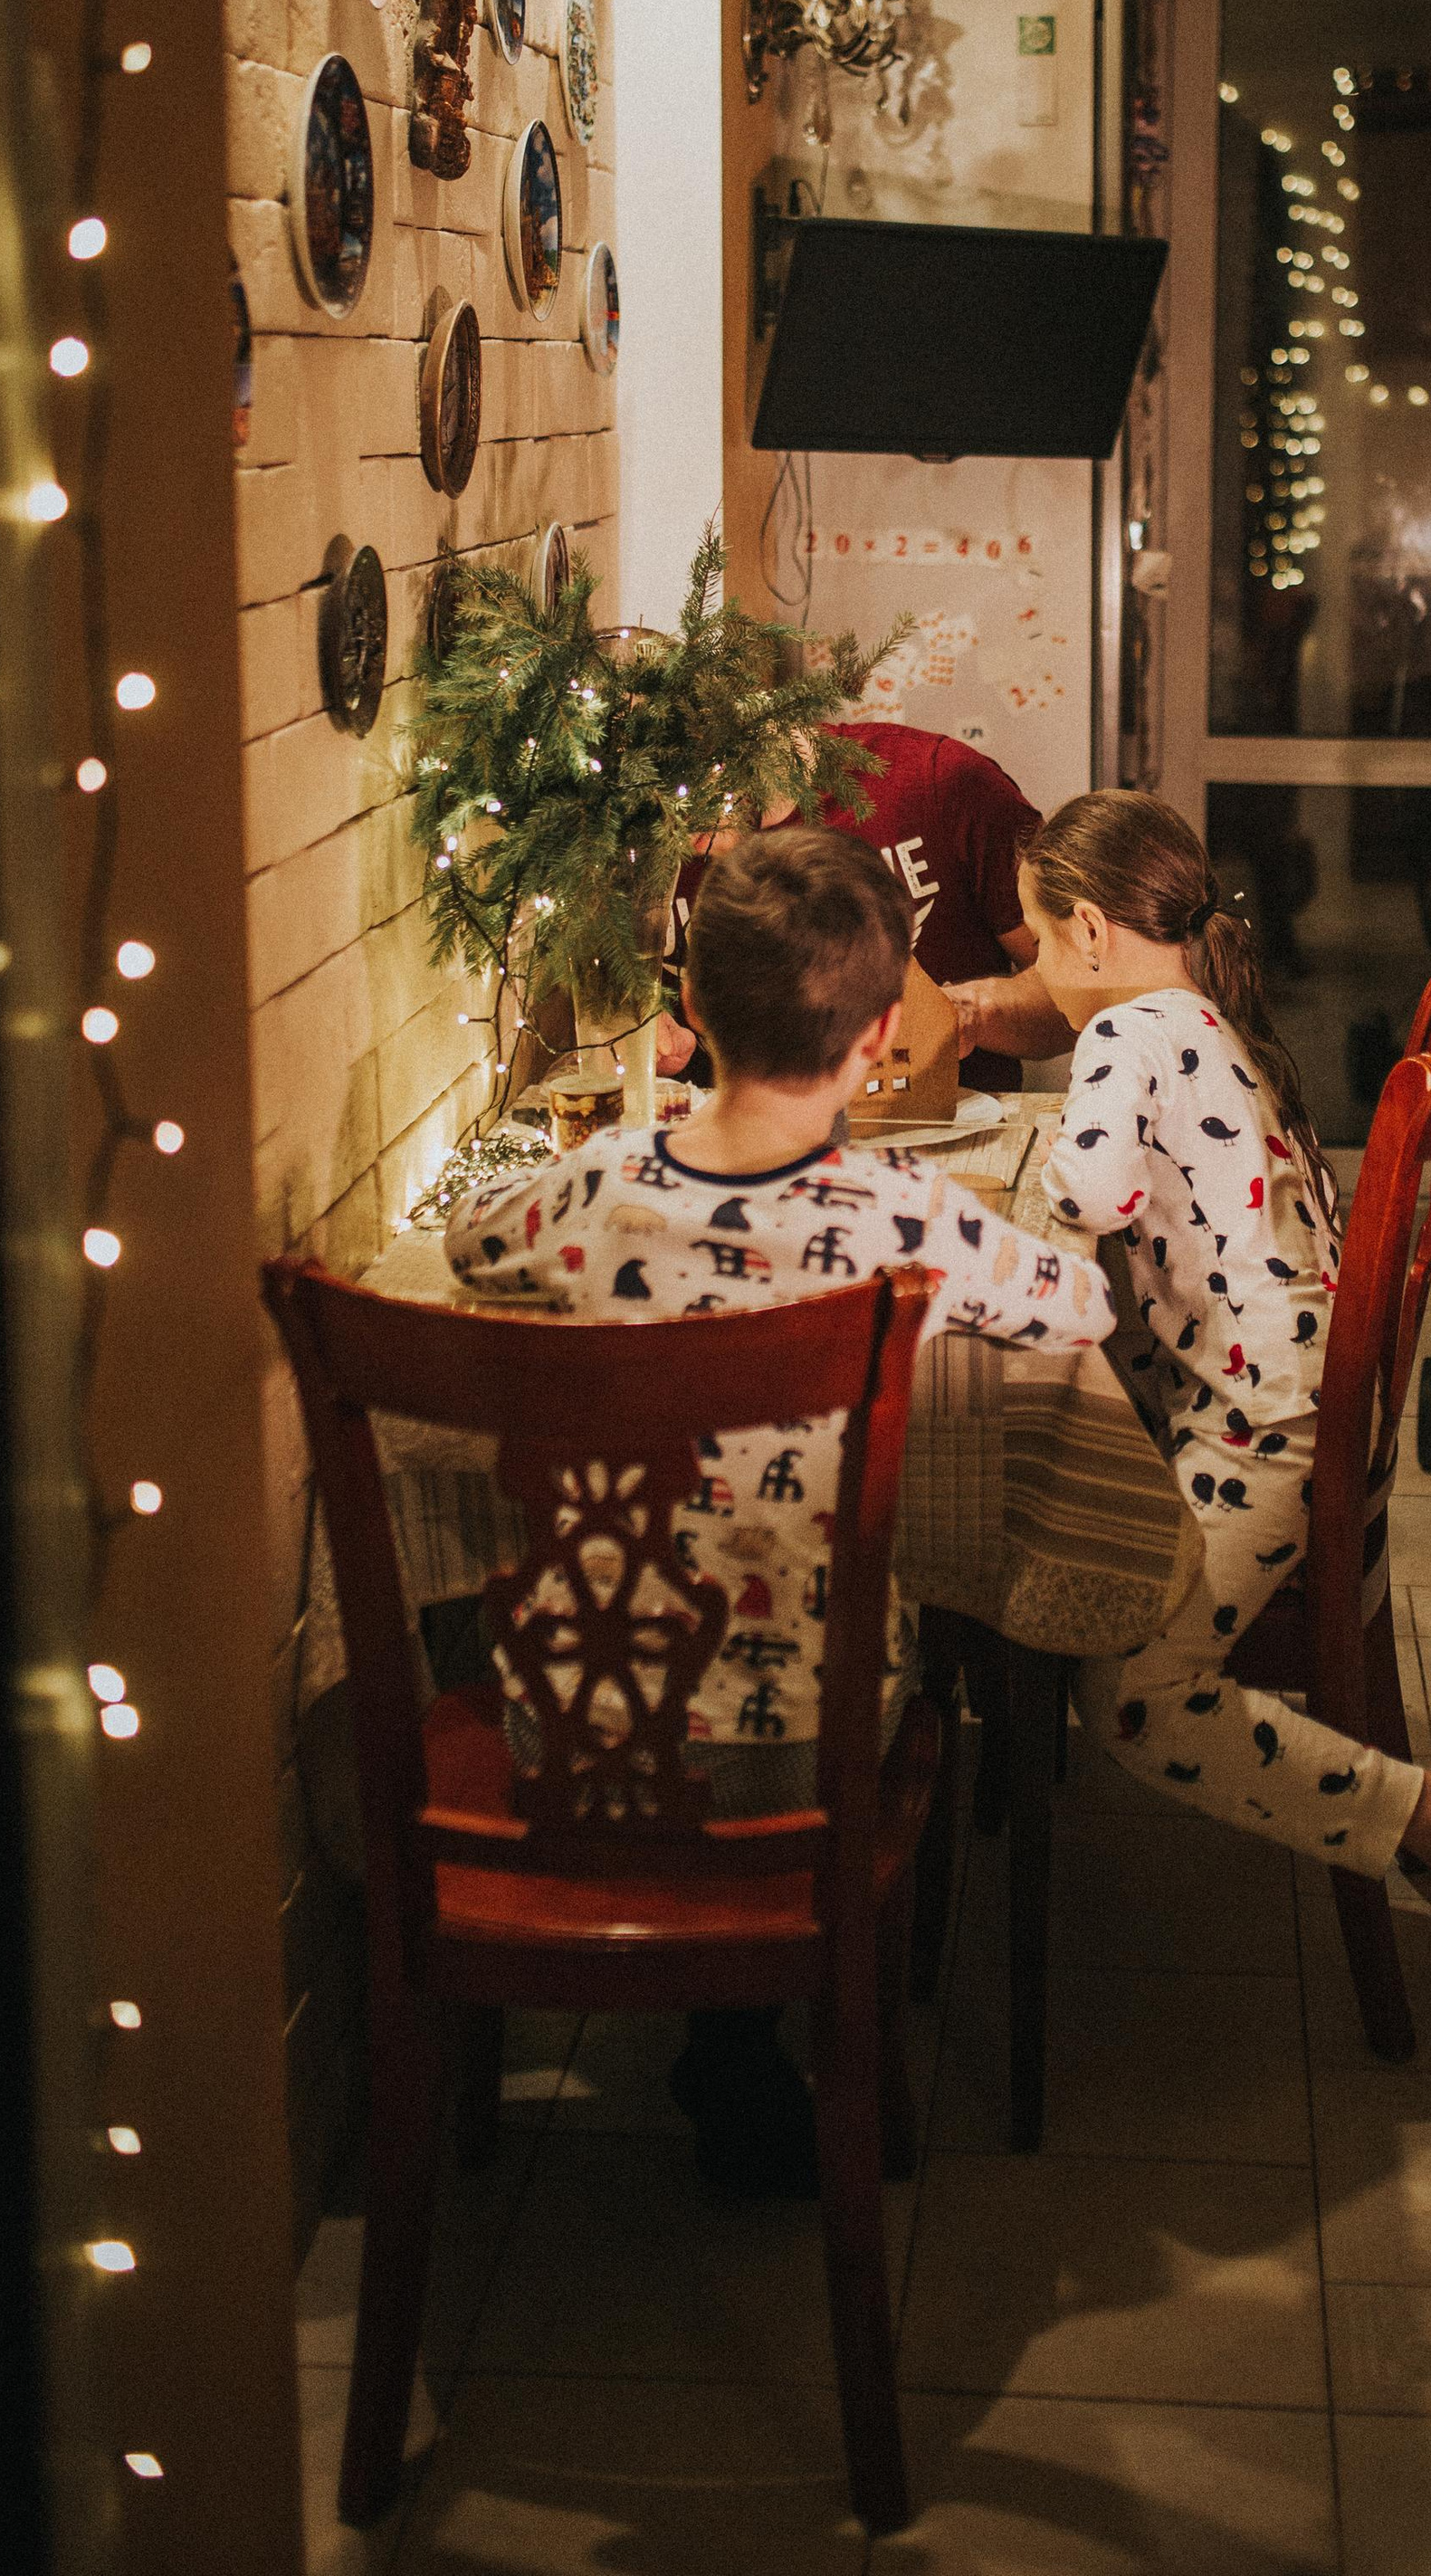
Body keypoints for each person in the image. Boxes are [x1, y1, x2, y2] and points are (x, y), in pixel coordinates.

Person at [445, 825, 1116, 2190]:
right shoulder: (906, 1218)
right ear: (878, 1037)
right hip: (810, 1758)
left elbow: (469, 1246)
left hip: (569, 1733)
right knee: (870, 1635)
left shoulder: (590, 1190)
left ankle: (725, 2048)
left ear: (690, 1008)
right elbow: (1083, 1306)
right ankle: (743, 2047)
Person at [1017, 789, 1431, 1959]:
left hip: (1265, 1428)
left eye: (1038, 939)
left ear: (1088, 931)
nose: (1039, 968)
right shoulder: (1200, 1018)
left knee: (1133, 1700)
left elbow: (1089, 1193)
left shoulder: (1125, 1032)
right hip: (1293, 1405)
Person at [655, 717, 1076, 1091]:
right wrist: (635, 1037)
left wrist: (972, 1011)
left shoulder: (936, 782)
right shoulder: (628, 835)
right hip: (714, 1137)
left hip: (946, 1126)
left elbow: (1087, 985)